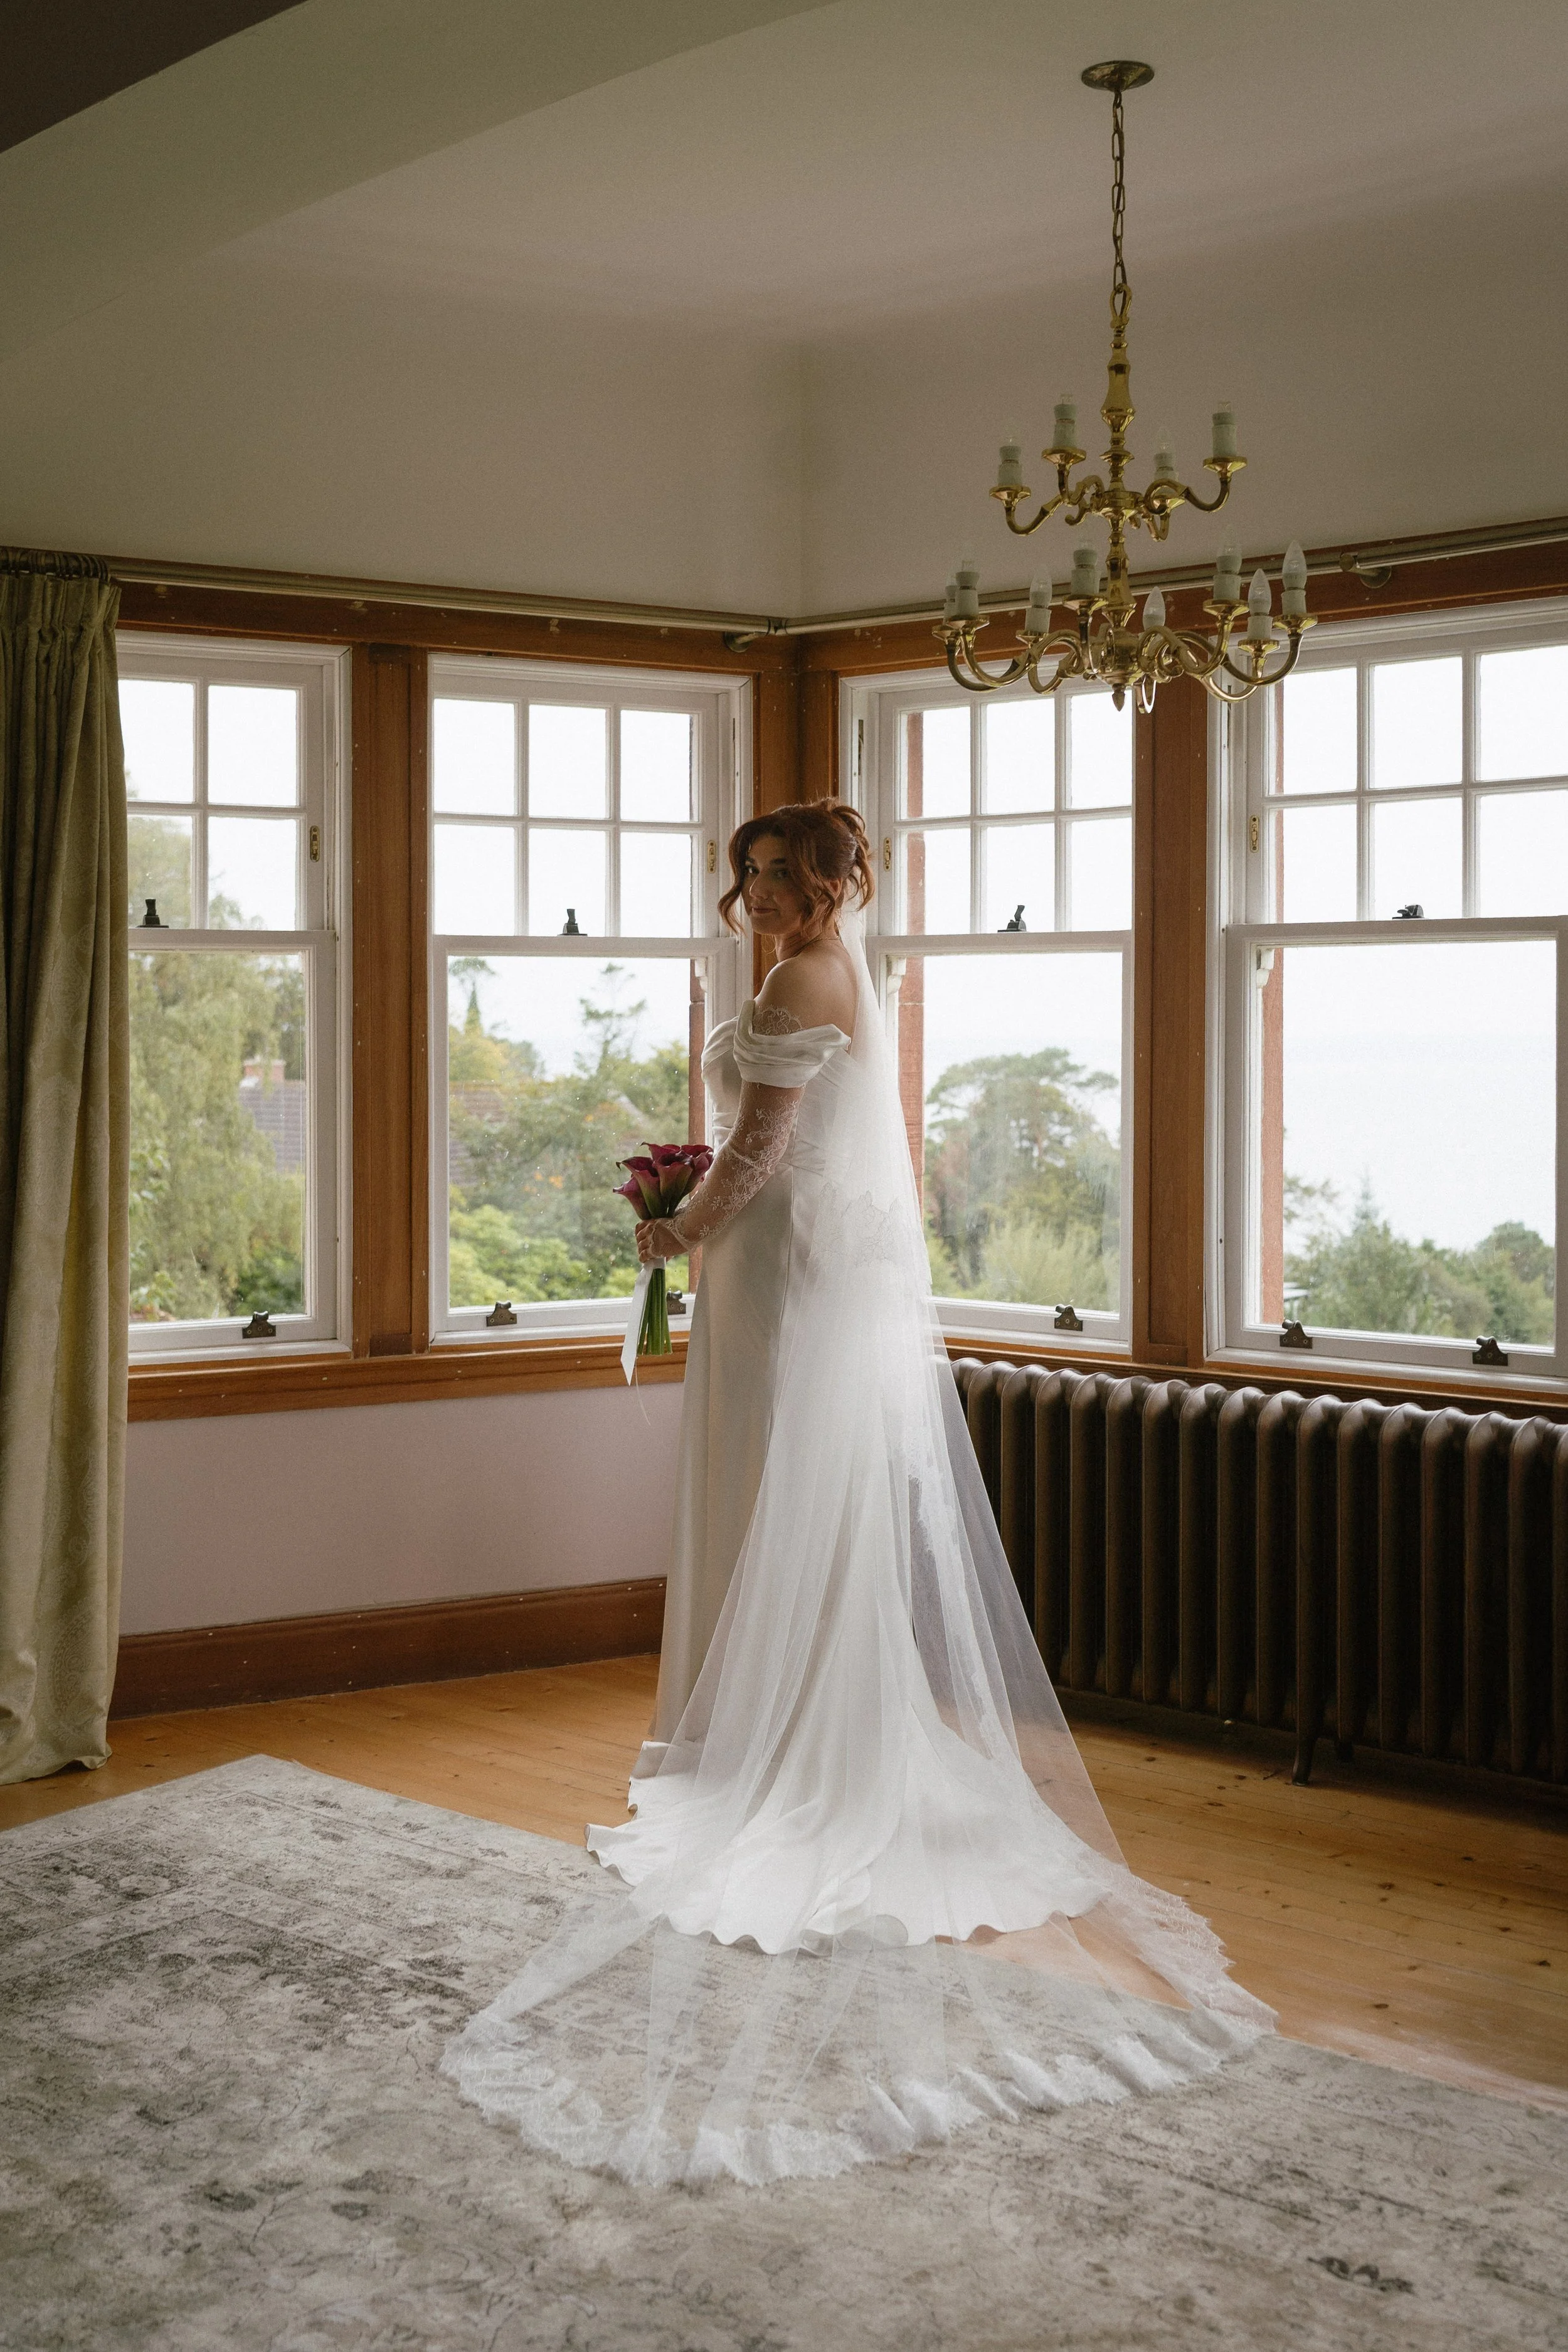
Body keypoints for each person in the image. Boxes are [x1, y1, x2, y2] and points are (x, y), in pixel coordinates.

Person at [443, 801, 1271, 2188]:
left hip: (775, 1264)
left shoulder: (794, 976)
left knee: (775, 1492)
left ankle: (789, 1750)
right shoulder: (837, 971)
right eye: (751, 871)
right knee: (788, 1500)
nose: (764, 890)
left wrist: (677, 1228)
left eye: (788, 871)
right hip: (797, 1262)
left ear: (838, 880)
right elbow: (780, 1137)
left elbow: (761, 1152)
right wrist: (706, 1213)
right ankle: (790, 1722)